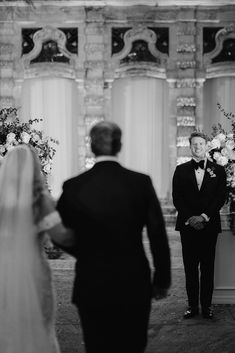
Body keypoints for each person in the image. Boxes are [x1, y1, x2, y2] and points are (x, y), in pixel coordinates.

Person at [57, 121, 171, 353]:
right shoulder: (140, 182)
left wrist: (85, 252)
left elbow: (59, 234)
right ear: (119, 145)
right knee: (133, 346)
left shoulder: (73, 186)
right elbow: (157, 232)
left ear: (91, 146)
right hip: (133, 281)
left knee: (97, 346)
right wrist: (162, 280)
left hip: (91, 281)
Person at [0, 144, 73, 353]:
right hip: (32, 272)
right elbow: (63, 237)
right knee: (40, 325)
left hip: (3, 271)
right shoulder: (39, 200)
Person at [172, 131, 227, 319]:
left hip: (209, 225)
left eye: (201, 144)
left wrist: (203, 217)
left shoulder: (218, 170)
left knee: (208, 268)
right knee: (190, 268)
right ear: (190, 146)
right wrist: (191, 218)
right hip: (188, 226)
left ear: (207, 146)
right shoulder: (180, 170)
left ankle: (207, 307)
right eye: (194, 144)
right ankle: (192, 306)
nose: (197, 147)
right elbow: (177, 198)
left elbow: (221, 197)